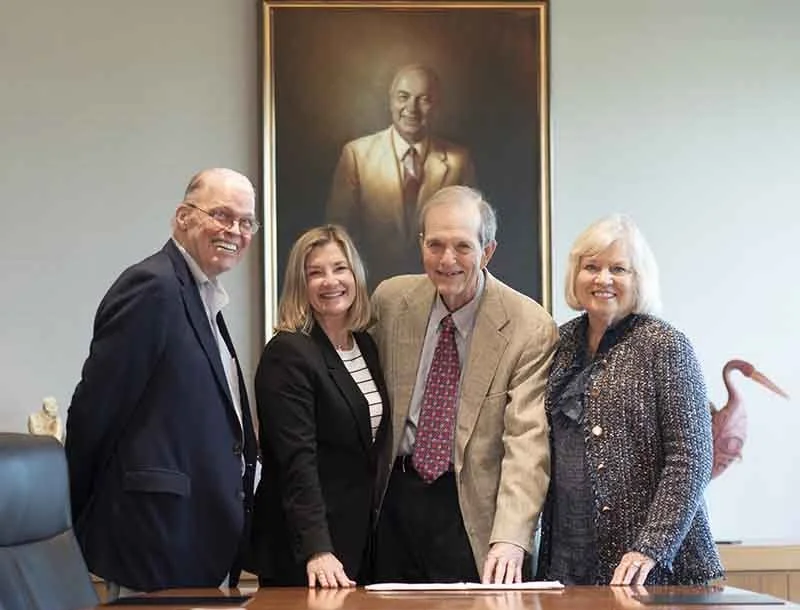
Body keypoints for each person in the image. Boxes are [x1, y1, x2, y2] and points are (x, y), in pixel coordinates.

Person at [65, 168, 259, 595]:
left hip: (196, 539)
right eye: (222, 215)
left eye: (246, 222)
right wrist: (73, 517)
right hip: (154, 541)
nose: (235, 231)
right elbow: (94, 413)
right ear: (183, 217)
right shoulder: (153, 287)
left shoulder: (202, 295)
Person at [370, 185, 558, 584]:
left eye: (462, 246)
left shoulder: (529, 326)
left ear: (487, 251)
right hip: (393, 503)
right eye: (435, 245)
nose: (447, 260)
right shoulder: (390, 301)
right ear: (421, 244)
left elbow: (528, 441)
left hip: (473, 512)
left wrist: (510, 538)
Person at [536, 214, 723, 586]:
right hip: (568, 560)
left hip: (653, 570)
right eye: (591, 267)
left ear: (638, 279)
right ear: (576, 274)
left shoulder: (666, 345)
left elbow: (692, 459)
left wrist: (650, 547)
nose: (603, 279)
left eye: (618, 269)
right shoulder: (561, 342)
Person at [250, 225, 390, 588]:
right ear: (301, 284)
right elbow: (296, 461)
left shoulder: (365, 345)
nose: (331, 281)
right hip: (308, 551)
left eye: (339, 268)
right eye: (315, 273)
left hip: (358, 542)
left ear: (355, 274)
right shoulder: (288, 353)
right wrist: (317, 549)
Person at [326, 64, 476, 288]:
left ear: (436, 106)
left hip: (438, 292)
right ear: (390, 100)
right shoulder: (356, 155)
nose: (411, 108)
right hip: (371, 293)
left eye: (423, 99)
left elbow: (469, 237)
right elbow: (339, 235)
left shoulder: (458, 161)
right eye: (403, 97)